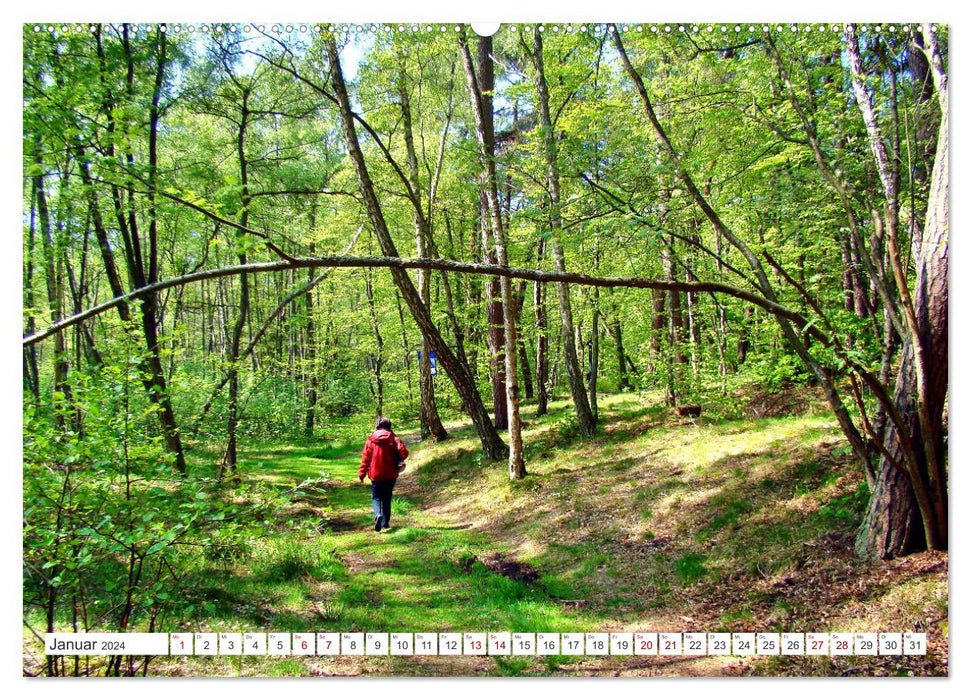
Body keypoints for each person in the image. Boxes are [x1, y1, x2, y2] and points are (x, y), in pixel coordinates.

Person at [358, 417, 409, 532]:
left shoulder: (371, 439)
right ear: (389, 425)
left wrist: (362, 473)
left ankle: (377, 515)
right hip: (391, 473)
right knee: (387, 497)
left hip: (375, 473)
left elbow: (365, 458)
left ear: (377, 425)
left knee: (376, 497)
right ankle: (385, 523)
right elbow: (404, 453)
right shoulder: (394, 438)